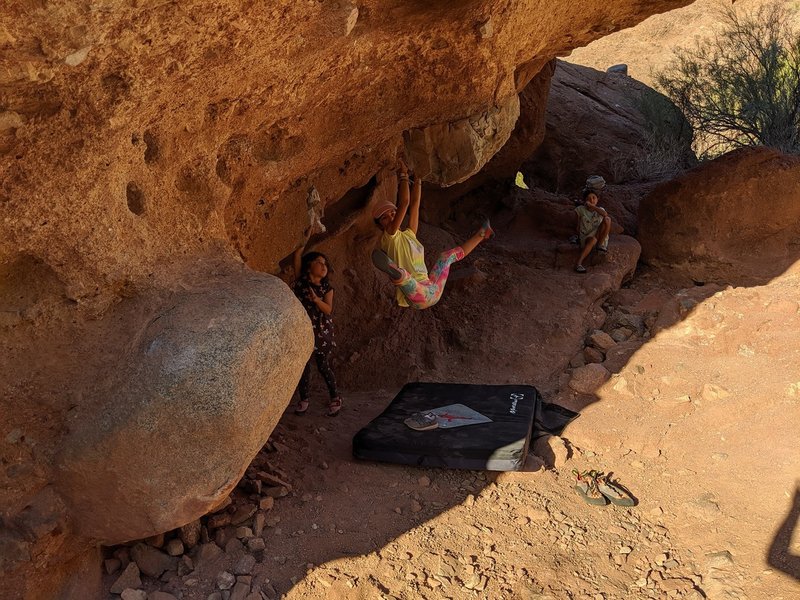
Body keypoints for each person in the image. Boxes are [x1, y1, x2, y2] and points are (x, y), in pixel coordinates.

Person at [370, 159, 493, 309]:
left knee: (446, 257)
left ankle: (482, 234)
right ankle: (397, 274)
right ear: (379, 225)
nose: (390, 217)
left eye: (392, 213)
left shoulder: (410, 234)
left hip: (432, 289)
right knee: (404, 276)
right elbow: (405, 203)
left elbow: (414, 203)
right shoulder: (389, 237)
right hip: (417, 295)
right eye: (384, 217)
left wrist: (418, 177)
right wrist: (403, 175)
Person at [291, 245, 342, 416]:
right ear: (308, 266)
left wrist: (316, 300)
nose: (323, 266)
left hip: (321, 331)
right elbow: (297, 257)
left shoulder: (327, 288)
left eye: (325, 264)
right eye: (318, 262)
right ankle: (304, 399)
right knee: (304, 366)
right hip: (303, 330)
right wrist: (301, 243)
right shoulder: (301, 282)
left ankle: (335, 397)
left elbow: (328, 309)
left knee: (323, 365)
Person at [574, 188, 611, 273]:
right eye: (588, 198)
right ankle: (578, 264)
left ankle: (600, 245)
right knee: (592, 239)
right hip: (587, 237)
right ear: (585, 201)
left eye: (594, 197)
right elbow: (577, 225)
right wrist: (577, 237)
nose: (591, 200)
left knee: (607, 219)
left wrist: (592, 207)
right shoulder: (580, 209)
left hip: (599, 236)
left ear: (598, 199)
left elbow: (605, 214)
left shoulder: (600, 209)